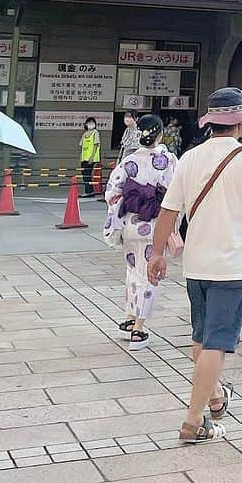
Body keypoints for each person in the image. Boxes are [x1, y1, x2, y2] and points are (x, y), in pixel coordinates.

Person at [148, 87, 242, 443]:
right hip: (232, 266)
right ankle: (194, 421)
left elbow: (169, 210)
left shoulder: (190, 157)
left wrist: (157, 252)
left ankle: (214, 396)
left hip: (196, 266)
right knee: (216, 344)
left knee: (201, 338)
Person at [103, 114, 177, 347]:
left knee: (133, 271)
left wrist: (124, 207)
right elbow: (176, 194)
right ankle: (139, 327)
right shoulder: (169, 160)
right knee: (151, 274)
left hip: (130, 223)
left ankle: (128, 318)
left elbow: (112, 193)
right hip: (155, 223)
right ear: (160, 135)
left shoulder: (127, 162)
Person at [80, 117, 101, 200]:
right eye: (89, 122)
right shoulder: (85, 134)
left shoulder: (95, 133)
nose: (90, 124)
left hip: (91, 158)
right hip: (84, 158)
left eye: (92, 122)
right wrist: (80, 158)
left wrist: (92, 158)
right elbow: (82, 147)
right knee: (85, 174)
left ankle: (88, 192)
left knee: (87, 174)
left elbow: (96, 145)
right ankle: (90, 191)